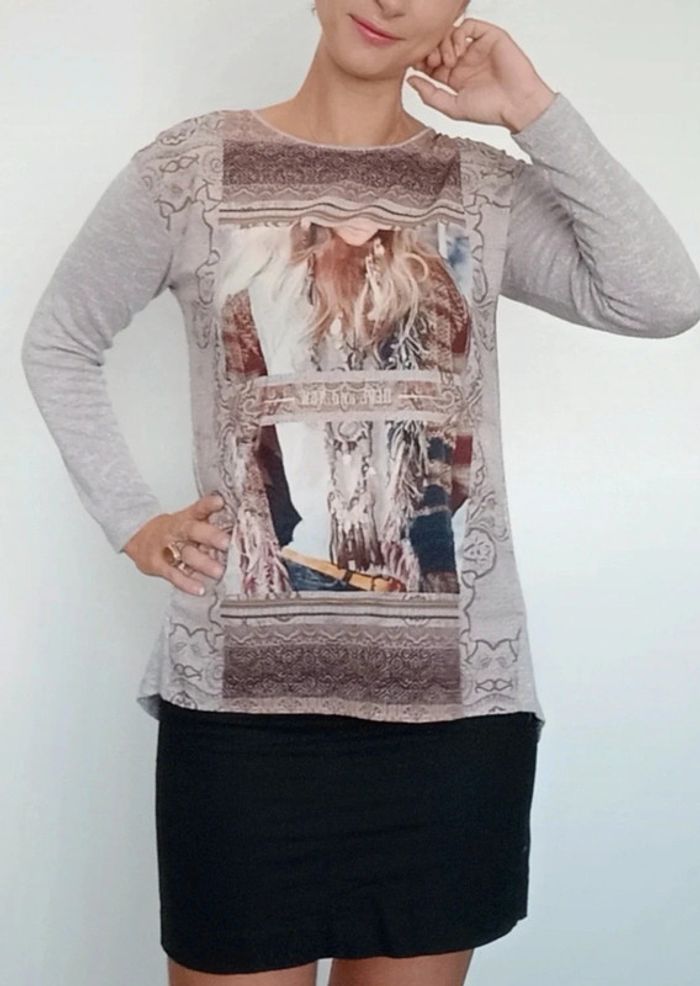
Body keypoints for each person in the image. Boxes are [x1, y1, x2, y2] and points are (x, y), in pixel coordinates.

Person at [20, 2, 700, 984]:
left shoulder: (481, 187)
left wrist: (534, 111)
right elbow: (60, 340)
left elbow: (663, 296)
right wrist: (134, 519)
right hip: (246, 721)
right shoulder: (190, 171)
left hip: (452, 724)